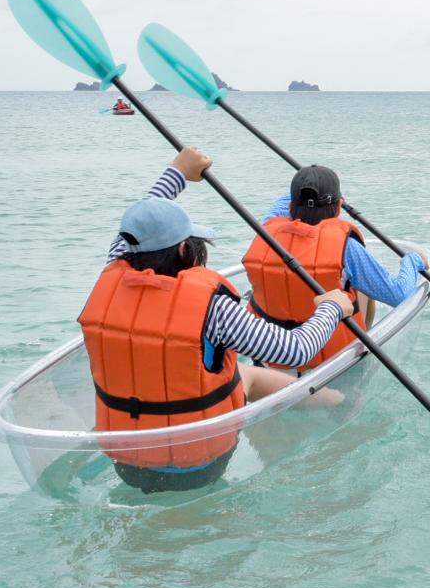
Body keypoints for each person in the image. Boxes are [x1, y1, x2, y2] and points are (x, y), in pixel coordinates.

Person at [78, 148, 354, 493]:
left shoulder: (115, 266)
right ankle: (343, 406)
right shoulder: (214, 310)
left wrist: (178, 171)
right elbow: (294, 351)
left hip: (126, 463)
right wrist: (332, 307)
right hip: (199, 466)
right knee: (248, 374)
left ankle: (333, 406)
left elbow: (140, 223)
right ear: (183, 251)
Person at [242, 164, 425, 372]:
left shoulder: (267, 230)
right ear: (339, 206)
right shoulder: (346, 248)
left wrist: (308, 184)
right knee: (360, 288)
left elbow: (284, 202)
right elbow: (400, 295)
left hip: (270, 357)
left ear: (292, 206)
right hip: (330, 366)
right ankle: (363, 354)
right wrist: (412, 261)